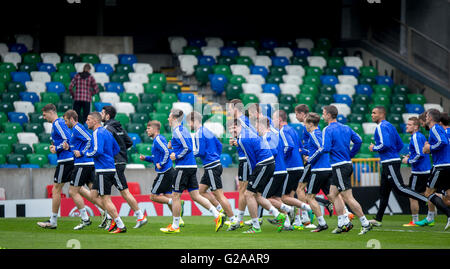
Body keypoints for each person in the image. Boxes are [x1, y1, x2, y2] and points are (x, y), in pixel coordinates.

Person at [161, 108, 225, 234]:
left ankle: (175, 225)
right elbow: (184, 145)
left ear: (174, 118)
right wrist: (172, 146)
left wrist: (176, 156)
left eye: (169, 117)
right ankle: (217, 214)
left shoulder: (177, 131)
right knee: (195, 195)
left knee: (175, 196)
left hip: (183, 167)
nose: (168, 119)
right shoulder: (184, 130)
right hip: (191, 166)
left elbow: (187, 148)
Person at [368, 106, 429, 227]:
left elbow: (385, 144)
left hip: (389, 162)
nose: (372, 115)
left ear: (381, 114)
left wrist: (374, 148)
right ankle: (378, 219)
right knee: (384, 193)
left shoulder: (380, 126)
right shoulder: (390, 126)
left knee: (400, 188)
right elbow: (400, 144)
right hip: (390, 161)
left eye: (374, 113)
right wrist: (394, 153)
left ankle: (428, 200)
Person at [229, 119, 287, 234]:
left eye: (234, 128)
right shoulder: (246, 135)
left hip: (263, 164)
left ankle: (256, 226)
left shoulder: (243, 139)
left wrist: (252, 176)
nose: (232, 131)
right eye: (230, 129)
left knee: (248, 194)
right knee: (257, 195)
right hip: (268, 163)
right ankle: (278, 215)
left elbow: (251, 159)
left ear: (240, 127)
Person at [256, 116, 313, 231]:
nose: (256, 128)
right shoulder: (276, 135)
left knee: (262, 197)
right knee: (276, 197)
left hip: (276, 171)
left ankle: (289, 209)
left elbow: (274, 151)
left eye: (256, 125)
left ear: (261, 125)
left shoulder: (268, 136)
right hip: (283, 170)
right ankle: (287, 223)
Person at [322, 105, 372, 235]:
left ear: (328, 115)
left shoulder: (327, 130)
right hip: (345, 164)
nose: (322, 116)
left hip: (339, 166)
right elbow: (359, 141)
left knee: (348, 197)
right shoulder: (346, 127)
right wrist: (350, 154)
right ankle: (342, 224)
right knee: (332, 194)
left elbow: (326, 148)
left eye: (323, 113)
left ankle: (365, 223)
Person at [74, 112, 127, 233]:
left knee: (106, 199)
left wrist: (83, 153)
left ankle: (120, 224)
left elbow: (97, 151)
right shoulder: (107, 132)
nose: (86, 122)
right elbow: (117, 149)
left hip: (104, 170)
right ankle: (112, 218)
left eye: (88, 119)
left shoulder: (97, 132)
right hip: (106, 168)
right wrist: (108, 157)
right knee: (93, 196)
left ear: (94, 121)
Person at [187, 111, 239, 231]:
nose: (189, 125)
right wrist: (215, 155)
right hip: (213, 164)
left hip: (211, 166)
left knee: (219, 194)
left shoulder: (200, 133)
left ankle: (233, 219)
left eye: (189, 122)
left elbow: (200, 152)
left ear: (195, 121)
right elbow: (219, 145)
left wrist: (187, 154)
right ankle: (221, 210)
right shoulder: (207, 131)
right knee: (201, 191)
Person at [101, 106, 147, 229]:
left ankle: (139, 216)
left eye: (102, 113)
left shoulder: (107, 128)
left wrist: (115, 153)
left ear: (107, 116)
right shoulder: (119, 127)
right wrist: (121, 151)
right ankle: (110, 219)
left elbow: (105, 145)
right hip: (120, 161)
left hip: (114, 163)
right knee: (99, 193)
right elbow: (129, 142)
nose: (101, 115)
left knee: (123, 192)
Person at [62, 109, 108, 230]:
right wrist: (68, 148)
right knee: (93, 194)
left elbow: (89, 139)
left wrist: (82, 152)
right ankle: (108, 214)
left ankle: (85, 219)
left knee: (73, 191)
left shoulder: (77, 128)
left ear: (72, 119)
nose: (65, 123)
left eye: (66, 121)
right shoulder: (74, 130)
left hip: (83, 164)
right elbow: (77, 147)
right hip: (87, 163)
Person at [271, 110, 314, 230]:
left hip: (291, 167)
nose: (273, 121)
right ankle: (297, 221)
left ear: (279, 119)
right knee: (290, 197)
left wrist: (281, 157)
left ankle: (307, 208)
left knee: (283, 198)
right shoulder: (293, 130)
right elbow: (300, 147)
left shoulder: (283, 131)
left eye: (274, 119)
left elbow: (288, 146)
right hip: (298, 166)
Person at [140, 120, 184, 226]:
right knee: (167, 196)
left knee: (153, 196)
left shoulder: (157, 139)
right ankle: (178, 220)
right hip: (169, 171)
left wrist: (162, 162)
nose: (147, 130)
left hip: (165, 172)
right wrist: (146, 158)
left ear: (155, 129)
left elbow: (167, 152)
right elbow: (156, 158)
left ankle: (176, 203)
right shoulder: (158, 139)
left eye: (149, 128)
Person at [37, 104, 74, 229]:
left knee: (56, 189)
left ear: (51, 112)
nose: (43, 117)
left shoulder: (58, 123)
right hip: (68, 160)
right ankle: (104, 212)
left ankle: (53, 221)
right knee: (79, 190)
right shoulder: (56, 125)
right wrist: (55, 147)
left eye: (44, 114)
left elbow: (69, 139)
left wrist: (56, 148)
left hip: (66, 160)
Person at [417, 108, 450, 231]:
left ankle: (449, 215)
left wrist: (429, 148)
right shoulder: (439, 129)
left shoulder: (435, 128)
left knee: (429, 193)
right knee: (448, 197)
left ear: (430, 118)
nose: (425, 119)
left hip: (441, 166)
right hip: (447, 165)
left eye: (426, 117)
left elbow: (443, 142)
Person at [303, 113, 332, 232]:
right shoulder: (320, 133)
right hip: (327, 168)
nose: (304, 126)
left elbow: (321, 148)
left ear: (310, 124)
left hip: (318, 170)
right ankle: (344, 219)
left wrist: (310, 159)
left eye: (305, 123)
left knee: (309, 197)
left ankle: (322, 223)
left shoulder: (314, 134)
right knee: (332, 195)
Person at [401, 117, 432, 227]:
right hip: (426, 170)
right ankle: (430, 217)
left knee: (413, 196)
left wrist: (408, 160)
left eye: (409, 124)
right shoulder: (420, 136)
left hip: (419, 172)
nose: (407, 126)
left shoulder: (415, 137)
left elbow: (420, 154)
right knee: (427, 194)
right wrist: (411, 156)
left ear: (416, 127)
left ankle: (414, 221)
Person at [226, 99, 253, 227]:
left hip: (246, 159)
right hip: (246, 158)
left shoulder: (243, 121)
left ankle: (239, 219)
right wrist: (236, 141)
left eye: (230, 109)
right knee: (250, 191)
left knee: (243, 190)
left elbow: (253, 136)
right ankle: (253, 218)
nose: (229, 111)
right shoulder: (242, 121)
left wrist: (239, 142)